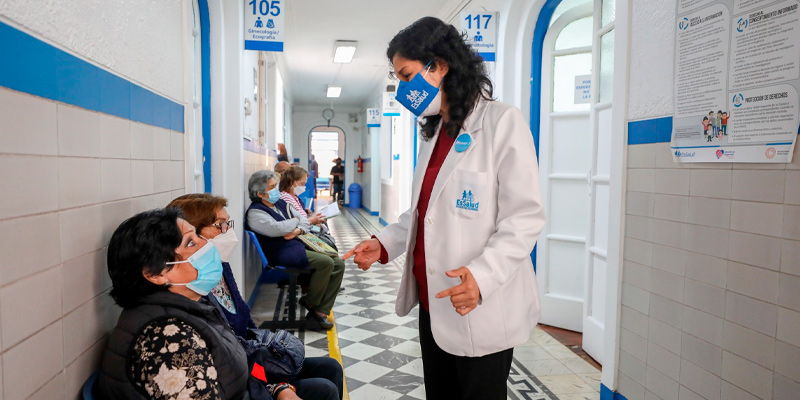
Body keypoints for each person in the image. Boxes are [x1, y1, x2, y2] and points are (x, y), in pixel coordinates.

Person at [343, 17, 545, 400]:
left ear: (439, 65)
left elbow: (524, 217)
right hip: (433, 303)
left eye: (406, 76)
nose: (402, 88)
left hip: (477, 300)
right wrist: (384, 243)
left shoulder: (502, 122)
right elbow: (424, 212)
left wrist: (482, 277)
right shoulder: (435, 132)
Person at [96, 208, 298, 399]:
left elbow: (235, 369)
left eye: (197, 237)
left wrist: (278, 388)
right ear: (155, 273)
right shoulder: (166, 341)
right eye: (191, 243)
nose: (207, 245)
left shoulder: (191, 307)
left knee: (325, 376)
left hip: (250, 390)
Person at [168, 194, 344, 400]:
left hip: (252, 358)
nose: (228, 232)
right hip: (242, 374)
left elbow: (248, 327)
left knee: (331, 367)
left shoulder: (219, 269)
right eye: (220, 225)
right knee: (324, 388)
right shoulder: (192, 290)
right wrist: (276, 387)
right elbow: (227, 361)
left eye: (228, 224)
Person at [246, 170, 344, 330]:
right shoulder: (255, 213)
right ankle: (312, 302)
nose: (276, 190)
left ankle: (319, 311)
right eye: (272, 187)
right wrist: (296, 221)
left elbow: (304, 220)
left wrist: (297, 229)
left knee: (338, 264)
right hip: (280, 252)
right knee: (326, 262)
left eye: (275, 185)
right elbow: (277, 229)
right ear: (260, 194)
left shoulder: (280, 203)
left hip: (296, 243)